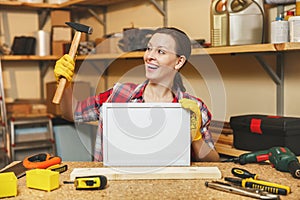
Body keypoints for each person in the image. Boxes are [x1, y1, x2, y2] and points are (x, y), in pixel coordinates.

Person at [54, 27, 220, 162]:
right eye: (149, 49)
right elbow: (72, 114)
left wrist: (196, 136)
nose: (149, 57)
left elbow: (213, 161)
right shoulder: (119, 95)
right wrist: (67, 84)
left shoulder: (193, 107)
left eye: (161, 51)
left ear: (179, 62)